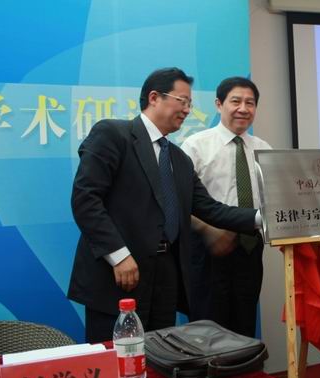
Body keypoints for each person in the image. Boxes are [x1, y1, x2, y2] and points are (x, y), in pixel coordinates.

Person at [69, 67, 260, 344]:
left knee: (159, 355)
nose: (187, 110)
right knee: (116, 356)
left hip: (166, 275)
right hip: (120, 272)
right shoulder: (113, 134)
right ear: (154, 97)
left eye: (190, 104)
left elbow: (210, 209)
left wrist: (264, 218)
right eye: (182, 101)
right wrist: (118, 255)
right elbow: (86, 199)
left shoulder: (179, 159)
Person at [181, 77, 271, 337]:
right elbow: (178, 202)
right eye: (236, 101)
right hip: (208, 249)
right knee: (207, 329)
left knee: (244, 325)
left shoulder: (263, 149)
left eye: (250, 103)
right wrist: (209, 230)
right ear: (219, 104)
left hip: (249, 248)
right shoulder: (195, 146)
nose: (243, 108)